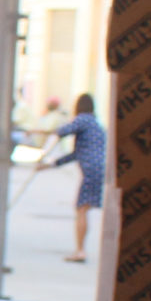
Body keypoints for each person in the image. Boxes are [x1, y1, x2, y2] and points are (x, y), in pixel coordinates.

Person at [52, 92, 107, 262]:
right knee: (83, 208)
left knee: (82, 209)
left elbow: (64, 131)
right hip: (99, 169)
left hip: (90, 170)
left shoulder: (84, 120)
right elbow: (76, 154)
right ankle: (80, 249)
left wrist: (52, 133)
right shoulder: (96, 125)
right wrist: (52, 164)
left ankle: (80, 250)